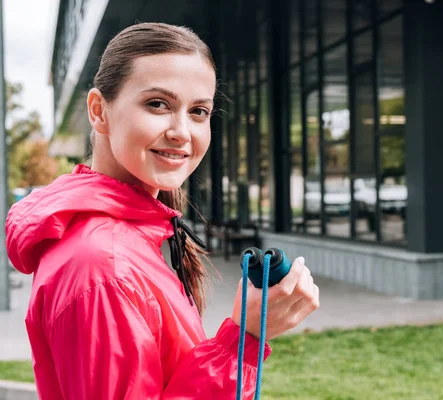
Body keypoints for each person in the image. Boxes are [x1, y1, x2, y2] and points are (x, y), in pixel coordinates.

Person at [5, 22, 319, 399]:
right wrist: (244, 338)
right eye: (158, 104)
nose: (182, 131)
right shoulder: (104, 267)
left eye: (199, 111)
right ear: (98, 110)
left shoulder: (135, 234)